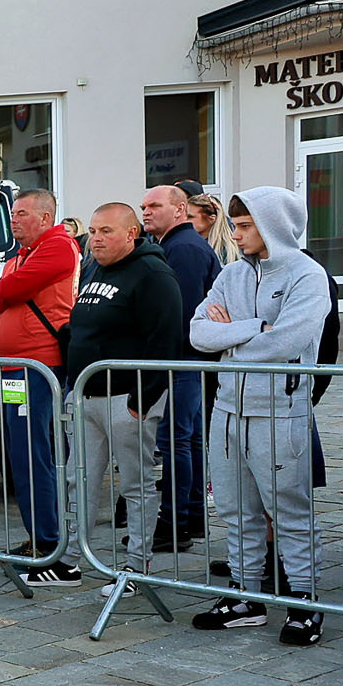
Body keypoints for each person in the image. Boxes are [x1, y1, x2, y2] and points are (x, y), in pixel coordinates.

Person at [189, 187, 332, 645]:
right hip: (228, 410)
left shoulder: (307, 275)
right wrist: (253, 328)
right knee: (236, 509)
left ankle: (304, 602)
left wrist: (229, 335)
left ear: (273, 224)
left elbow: (285, 342)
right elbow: (198, 333)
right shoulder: (232, 273)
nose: (236, 233)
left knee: (289, 510)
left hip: (280, 412)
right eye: (235, 224)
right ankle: (245, 596)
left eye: (245, 225)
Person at [67, 203, 186, 590]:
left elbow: (166, 339)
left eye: (106, 231)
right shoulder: (94, 268)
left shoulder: (153, 273)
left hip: (127, 399)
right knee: (79, 480)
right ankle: (69, 560)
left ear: (131, 233)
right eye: (92, 231)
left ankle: (137, 566)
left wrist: (142, 400)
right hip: (86, 395)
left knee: (135, 485)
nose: (96, 239)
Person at [0, 189, 80, 585]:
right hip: (15, 369)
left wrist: (3, 292)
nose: (14, 220)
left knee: (35, 453)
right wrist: (2, 292)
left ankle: (49, 541)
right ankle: (40, 537)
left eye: (21, 213)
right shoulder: (21, 255)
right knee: (21, 452)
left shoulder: (57, 245)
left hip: (37, 366)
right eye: (13, 213)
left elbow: (7, 292)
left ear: (45, 217)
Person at [144, 183, 223, 550]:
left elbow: (183, 313)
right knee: (186, 439)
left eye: (154, 206)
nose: (146, 212)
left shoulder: (184, 248)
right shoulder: (176, 245)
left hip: (183, 359)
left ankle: (175, 523)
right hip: (185, 359)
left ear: (179, 210)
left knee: (177, 440)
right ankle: (189, 518)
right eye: (144, 206)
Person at [189, 188, 240, 265]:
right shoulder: (188, 242)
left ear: (211, 219)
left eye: (190, 217)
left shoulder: (226, 251)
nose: (184, 220)